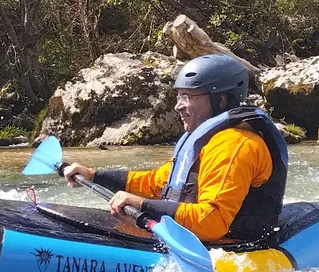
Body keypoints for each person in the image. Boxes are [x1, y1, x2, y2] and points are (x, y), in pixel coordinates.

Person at [61, 53, 289, 244]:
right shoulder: (205, 140)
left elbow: (211, 223)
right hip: (191, 236)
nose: (178, 106)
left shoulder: (235, 144)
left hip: (227, 247)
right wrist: (95, 175)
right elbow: (157, 183)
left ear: (221, 100)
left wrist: (141, 204)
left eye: (188, 96)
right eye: (179, 96)